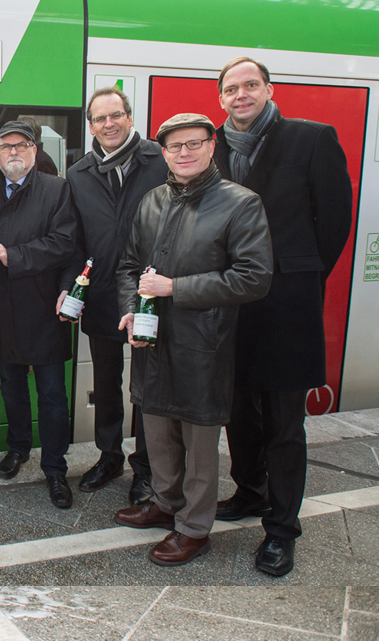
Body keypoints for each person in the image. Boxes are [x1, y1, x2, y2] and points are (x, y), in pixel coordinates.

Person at [212, 57, 353, 576]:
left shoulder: (312, 139)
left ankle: (282, 528)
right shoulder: (212, 146)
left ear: (269, 90)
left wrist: (302, 275)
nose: (241, 94)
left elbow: (335, 220)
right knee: (236, 410)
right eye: (232, 88)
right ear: (220, 98)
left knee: (285, 423)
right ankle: (249, 492)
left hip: (287, 304)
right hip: (228, 304)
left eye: (251, 85)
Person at [113, 113, 273, 567]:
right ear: (163, 153)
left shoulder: (240, 203)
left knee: (200, 443)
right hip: (151, 341)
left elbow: (254, 278)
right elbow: (128, 265)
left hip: (204, 344)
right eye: (174, 146)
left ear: (211, 146)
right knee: (157, 430)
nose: (184, 152)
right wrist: (130, 307)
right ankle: (165, 503)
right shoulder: (152, 201)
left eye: (193, 143)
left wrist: (174, 289)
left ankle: (194, 528)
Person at [63, 86, 168, 505]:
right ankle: (110, 456)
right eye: (100, 118)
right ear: (91, 125)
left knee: (147, 385)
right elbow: (73, 241)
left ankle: (147, 466)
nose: (109, 124)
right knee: (106, 383)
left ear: (130, 117)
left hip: (151, 296)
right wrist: (70, 290)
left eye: (116, 115)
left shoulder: (160, 161)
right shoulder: (79, 174)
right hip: (102, 293)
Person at [0, 121, 77, 508]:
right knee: (11, 387)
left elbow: (64, 243)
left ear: (34, 151)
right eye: (5, 146)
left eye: (21, 145)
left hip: (44, 308)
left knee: (52, 395)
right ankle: (18, 448)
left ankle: (55, 468)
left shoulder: (56, 189)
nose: (13, 152)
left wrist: (13, 255)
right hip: (1, 307)